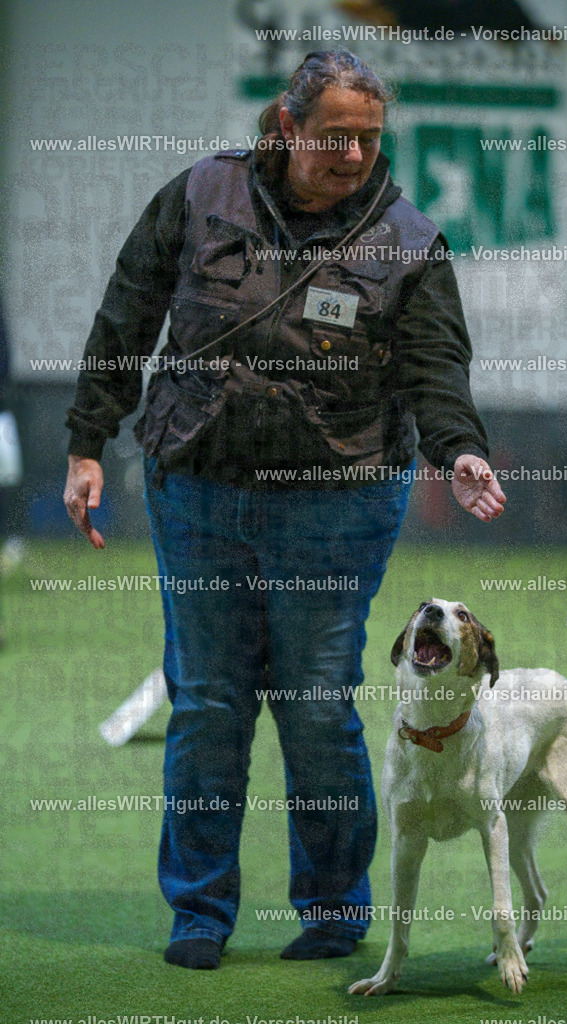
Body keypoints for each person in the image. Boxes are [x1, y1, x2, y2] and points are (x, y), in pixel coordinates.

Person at [64, 49, 506, 970]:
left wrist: (459, 449)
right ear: (287, 126)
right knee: (208, 703)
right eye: (334, 136)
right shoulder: (197, 196)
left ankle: (336, 912)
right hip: (198, 486)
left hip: (337, 500)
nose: (352, 156)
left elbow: (435, 368)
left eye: (369, 138)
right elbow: (127, 311)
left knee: (313, 704)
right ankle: (197, 914)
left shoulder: (408, 241)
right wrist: (86, 438)